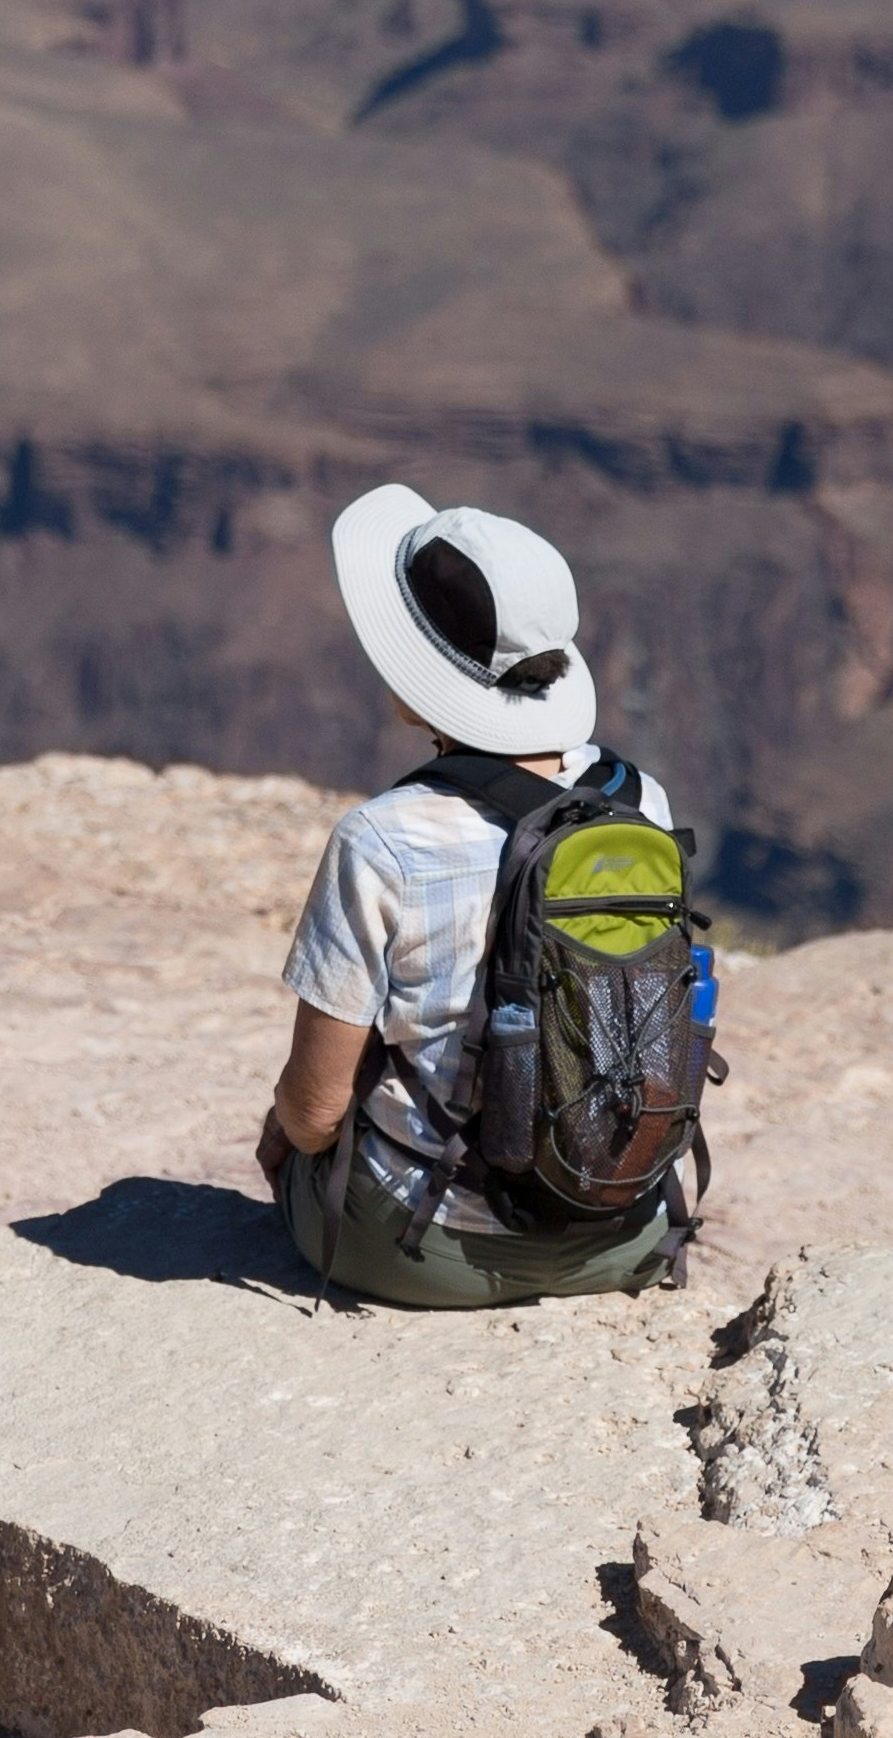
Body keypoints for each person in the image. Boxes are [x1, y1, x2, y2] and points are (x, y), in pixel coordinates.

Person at [255, 481, 694, 1305]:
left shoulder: (381, 839)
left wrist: (283, 1134)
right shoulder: (640, 805)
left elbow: (315, 1111)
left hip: (425, 1251)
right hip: (619, 1227)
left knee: (301, 1150)